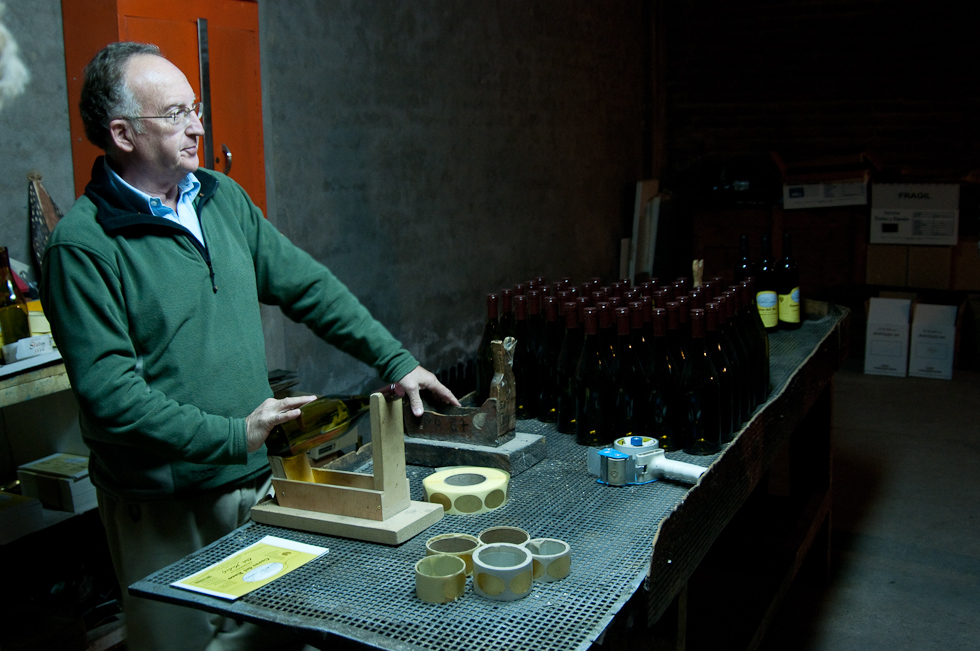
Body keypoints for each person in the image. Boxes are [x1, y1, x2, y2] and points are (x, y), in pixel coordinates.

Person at [40, 42, 459, 651]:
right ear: (123, 134)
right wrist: (231, 435)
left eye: (196, 108)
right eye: (176, 113)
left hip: (255, 477)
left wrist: (395, 360)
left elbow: (306, 286)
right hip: (164, 503)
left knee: (274, 636)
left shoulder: (219, 198)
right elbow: (111, 397)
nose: (198, 126)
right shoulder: (84, 245)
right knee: (184, 644)